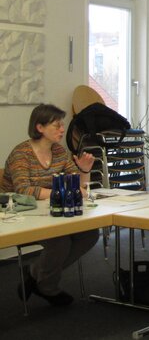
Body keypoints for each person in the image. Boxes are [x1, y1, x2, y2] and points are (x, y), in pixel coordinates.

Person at [1, 103, 99, 306]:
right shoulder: (22, 153)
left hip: (50, 211)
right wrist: (62, 192)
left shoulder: (59, 151)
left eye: (62, 125)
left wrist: (84, 171)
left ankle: (35, 273)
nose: (62, 129)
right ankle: (47, 286)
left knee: (89, 234)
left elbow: (79, 188)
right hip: (20, 213)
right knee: (60, 241)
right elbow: (23, 190)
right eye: (57, 125)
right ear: (40, 127)